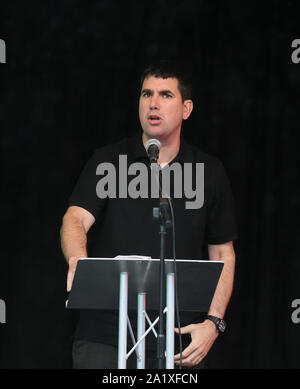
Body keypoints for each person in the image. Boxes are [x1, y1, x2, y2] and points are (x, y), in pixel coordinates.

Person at [60, 60, 237, 369]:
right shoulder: (109, 161)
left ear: (186, 109)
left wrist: (214, 322)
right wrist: (77, 259)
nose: (153, 103)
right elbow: (75, 219)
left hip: (178, 338)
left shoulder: (209, 172)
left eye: (166, 95)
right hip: (106, 337)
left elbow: (223, 252)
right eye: (146, 94)